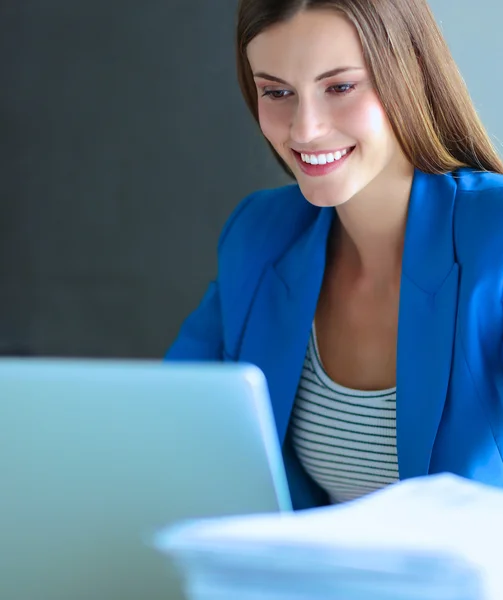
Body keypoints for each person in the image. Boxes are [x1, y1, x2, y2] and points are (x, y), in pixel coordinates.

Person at [166, 0, 503, 510]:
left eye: (340, 87)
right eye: (277, 92)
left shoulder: (493, 238)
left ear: (405, 74)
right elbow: (166, 424)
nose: (304, 129)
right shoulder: (260, 235)